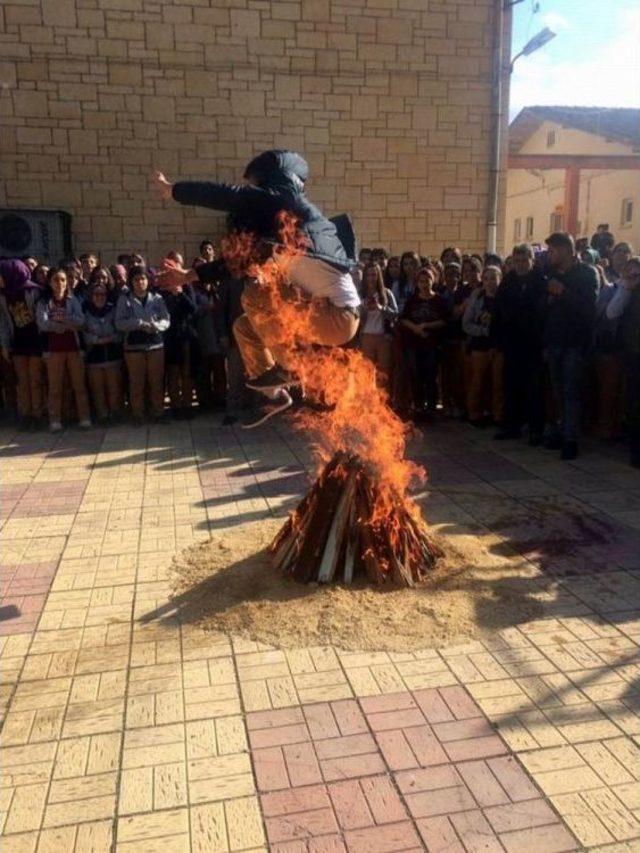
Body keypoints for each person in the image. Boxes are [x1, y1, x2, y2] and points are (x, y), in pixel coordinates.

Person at [153, 150, 360, 428]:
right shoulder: (276, 241)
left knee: (253, 295)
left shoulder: (291, 205)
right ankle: (273, 393)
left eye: (258, 189)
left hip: (339, 317)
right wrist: (187, 275)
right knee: (245, 327)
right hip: (320, 314)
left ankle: (289, 364)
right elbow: (232, 265)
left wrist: (175, 190)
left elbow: (230, 196)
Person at [542, 232, 598, 460]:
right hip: (554, 343)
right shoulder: (551, 274)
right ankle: (562, 430)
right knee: (558, 392)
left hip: (574, 344)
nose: (549, 254)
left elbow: (588, 309)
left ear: (566, 249)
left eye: (553, 250)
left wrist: (562, 292)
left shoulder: (586, 273)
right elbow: (545, 311)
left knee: (571, 392)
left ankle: (571, 439)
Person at [494, 243, 547, 443]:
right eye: (517, 261)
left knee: (534, 388)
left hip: (533, 344)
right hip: (512, 343)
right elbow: (498, 312)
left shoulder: (540, 281)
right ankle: (511, 426)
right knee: (511, 386)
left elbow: (543, 314)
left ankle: (535, 429)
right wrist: (499, 341)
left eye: (524, 260)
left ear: (532, 260)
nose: (521, 264)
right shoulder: (507, 281)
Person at [37, 267, 91, 432]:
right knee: (55, 387)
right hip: (53, 350)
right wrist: (62, 326)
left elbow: (81, 321)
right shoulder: (44, 302)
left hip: (74, 349)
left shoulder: (73, 300)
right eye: (56, 280)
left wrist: (62, 318)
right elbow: (43, 323)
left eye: (62, 279)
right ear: (50, 282)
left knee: (79, 385)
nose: (59, 283)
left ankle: (84, 418)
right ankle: (55, 420)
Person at [115, 265, 170, 424]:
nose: (140, 282)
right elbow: (119, 323)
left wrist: (156, 326)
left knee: (156, 382)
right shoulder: (125, 299)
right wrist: (138, 323)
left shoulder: (157, 298)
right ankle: (138, 414)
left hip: (155, 346)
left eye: (143, 279)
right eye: (136, 279)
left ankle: (158, 412)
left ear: (148, 280)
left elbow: (166, 319)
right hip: (134, 347)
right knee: (136, 383)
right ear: (131, 282)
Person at [398, 267, 448, 422]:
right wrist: (416, 328)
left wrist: (426, 326)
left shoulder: (439, 300)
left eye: (427, 281)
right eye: (421, 281)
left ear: (433, 281)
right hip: (414, 344)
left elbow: (444, 321)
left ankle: (431, 409)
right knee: (416, 376)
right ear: (417, 283)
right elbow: (403, 319)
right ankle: (418, 407)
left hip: (431, 345)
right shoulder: (412, 299)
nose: (425, 284)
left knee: (430, 377)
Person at [0, 259, 45, 429]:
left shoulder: (33, 291)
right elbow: (3, 322)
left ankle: (38, 414)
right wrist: (5, 344)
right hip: (17, 343)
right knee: (23, 381)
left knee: (35, 380)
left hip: (35, 341)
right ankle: (26, 416)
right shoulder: (3, 296)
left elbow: (40, 319)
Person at [607, 256, 640, 467]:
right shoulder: (627, 291)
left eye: (637, 274)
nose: (633, 278)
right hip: (633, 353)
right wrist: (626, 288)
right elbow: (612, 313)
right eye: (630, 274)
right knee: (635, 402)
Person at [463, 266, 504, 427]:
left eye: (493, 278)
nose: (490, 282)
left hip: (499, 346)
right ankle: (474, 414)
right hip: (480, 345)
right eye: (486, 278)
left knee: (498, 383)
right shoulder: (477, 297)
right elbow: (466, 324)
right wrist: (484, 331)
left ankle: (497, 416)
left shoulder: (504, 298)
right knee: (477, 381)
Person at [83, 279, 124, 424]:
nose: (100, 297)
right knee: (98, 390)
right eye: (96, 294)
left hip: (113, 355)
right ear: (91, 296)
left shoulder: (113, 310)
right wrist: (96, 340)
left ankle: (115, 414)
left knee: (114, 388)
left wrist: (110, 338)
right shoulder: (85, 311)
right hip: (94, 356)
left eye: (103, 294)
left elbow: (120, 331)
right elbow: (83, 334)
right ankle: (102, 416)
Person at [159, 275, 197, 418]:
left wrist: (180, 294)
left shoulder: (186, 287)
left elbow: (193, 309)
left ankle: (187, 405)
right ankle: (175, 406)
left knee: (186, 373)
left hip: (186, 336)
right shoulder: (161, 290)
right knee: (173, 374)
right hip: (169, 338)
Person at [358, 263, 398, 391]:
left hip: (383, 337)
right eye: (368, 275)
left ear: (378, 276)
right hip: (365, 337)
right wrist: (363, 309)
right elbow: (352, 314)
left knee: (383, 373)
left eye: (374, 274)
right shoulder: (360, 293)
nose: (371, 278)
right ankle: (369, 404)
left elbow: (395, 315)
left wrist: (381, 308)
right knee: (367, 373)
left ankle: (384, 404)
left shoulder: (386, 293)